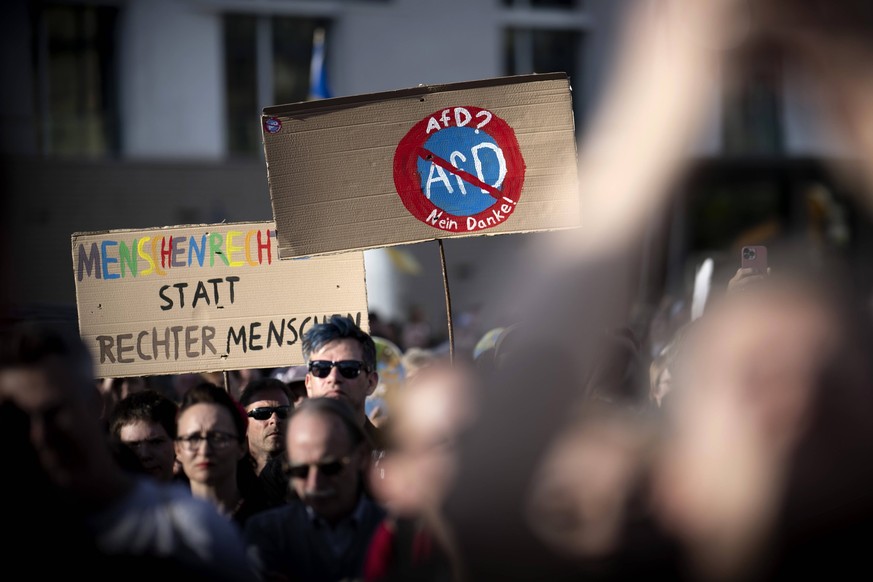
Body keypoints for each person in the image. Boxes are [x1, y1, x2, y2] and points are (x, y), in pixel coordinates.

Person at [0, 320, 256, 581]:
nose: (38, 434)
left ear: (93, 404)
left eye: (55, 413)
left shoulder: (189, 530)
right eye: (15, 418)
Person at [244, 397, 387, 582]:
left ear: (360, 456)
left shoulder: (398, 531)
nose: (314, 483)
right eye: (300, 471)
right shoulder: (266, 533)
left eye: (330, 467)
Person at [176, 381, 271, 526]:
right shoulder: (161, 524)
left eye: (218, 437)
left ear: (242, 447)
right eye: (193, 438)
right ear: (178, 449)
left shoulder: (271, 522)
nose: (205, 450)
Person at [302, 315, 385, 451]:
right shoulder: (282, 467)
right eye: (321, 368)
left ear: (370, 382)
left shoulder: (398, 460)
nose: (334, 377)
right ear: (308, 384)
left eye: (349, 368)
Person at [108, 389, 181, 483]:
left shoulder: (197, 496)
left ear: (177, 445)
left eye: (155, 442)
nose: (144, 454)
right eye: (133, 445)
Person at [239, 378, 293, 476]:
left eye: (283, 412)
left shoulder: (306, 476)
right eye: (262, 413)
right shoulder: (229, 475)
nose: (274, 420)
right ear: (243, 422)